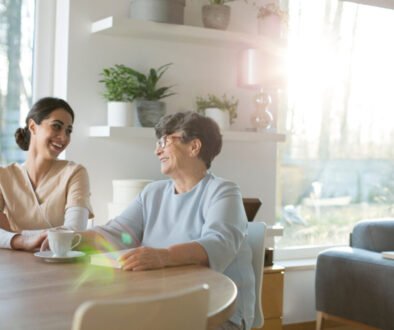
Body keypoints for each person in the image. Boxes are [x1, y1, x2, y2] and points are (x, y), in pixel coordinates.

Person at [77, 111, 254, 330]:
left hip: (216, 309)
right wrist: (68, 238)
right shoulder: (153, 192)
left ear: (194, 146)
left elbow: (219, 244)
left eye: (164, 141)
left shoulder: (223, 191)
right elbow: (117, 232)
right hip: (162, 301)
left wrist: (163, 256)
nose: (156, 150)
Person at [0, 97, 94, 251]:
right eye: (56, 126)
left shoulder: (75, 173)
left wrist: (13, 235)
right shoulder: (4, 177)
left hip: (60, 266)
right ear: (33, 127)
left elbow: (74, 230)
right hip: (11, 268)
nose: (63, 137)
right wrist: (22, 241)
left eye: (68, 131)